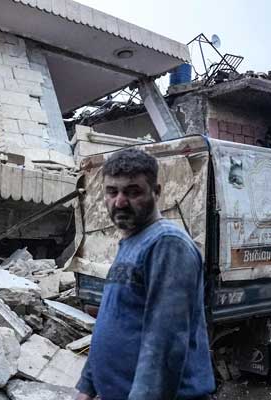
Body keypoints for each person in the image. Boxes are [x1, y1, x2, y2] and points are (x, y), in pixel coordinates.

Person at [75, 148, 215, 400]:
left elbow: (163, 344)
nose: (119, 201)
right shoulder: (131, 242)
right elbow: (113, 321)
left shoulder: (167, 245)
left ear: (157, 192)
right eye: (112, 191)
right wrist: (87, 386)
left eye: (133, 192)